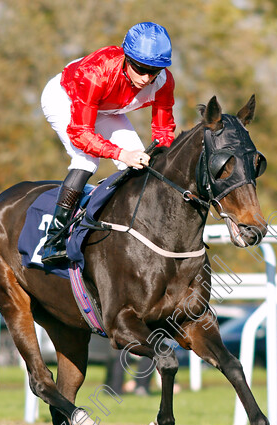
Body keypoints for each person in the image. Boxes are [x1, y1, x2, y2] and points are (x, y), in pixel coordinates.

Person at [38, 22, 176, 264]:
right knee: (86, 159)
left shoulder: (163, 81)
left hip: (107, 108)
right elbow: (80, 133)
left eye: (154, 71)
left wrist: (162, 160)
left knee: (139, 162)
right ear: (127, 57)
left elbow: (163, 131)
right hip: (66, 98)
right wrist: (121, 154)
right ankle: (54, 240)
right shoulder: (96, 72)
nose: (147, 78)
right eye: (141, 68)